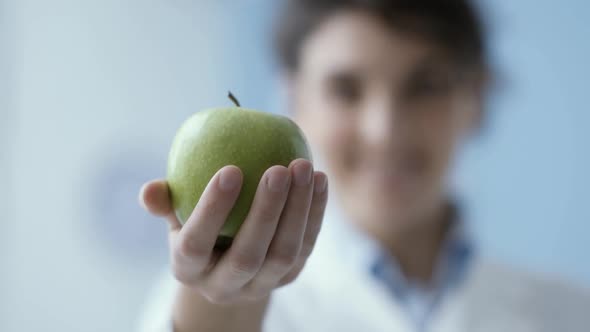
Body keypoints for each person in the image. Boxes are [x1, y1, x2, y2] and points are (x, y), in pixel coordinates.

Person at [137, 1, 590, 331]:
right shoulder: (198, 305)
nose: (384, 131)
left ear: (475, 98)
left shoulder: (571, 313)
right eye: (345, 89)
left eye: (424, 86)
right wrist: (221, 317)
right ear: (294, 98)